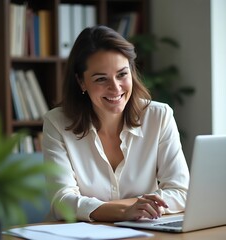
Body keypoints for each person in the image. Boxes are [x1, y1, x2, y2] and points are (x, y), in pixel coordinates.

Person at [42, 25, 190, 222]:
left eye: (122, 74)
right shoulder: (57, 123)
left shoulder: (159, 116)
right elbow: (62, 201)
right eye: (101, 79)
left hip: (144, 233)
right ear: (81, 82)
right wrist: (125, 211)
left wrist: (132, 209)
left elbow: (181, 192)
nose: (115, 88)